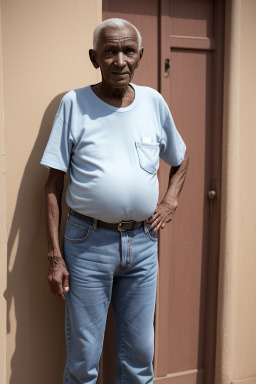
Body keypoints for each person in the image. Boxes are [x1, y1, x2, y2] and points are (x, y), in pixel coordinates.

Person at [41, 18, 189, 384]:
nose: (119, 60)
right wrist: (55, 255)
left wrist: (170, 200)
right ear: (95, 58)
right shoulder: (74, 104)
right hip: (87, 244)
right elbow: (52, 185)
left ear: (140, 56)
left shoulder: (153, 102)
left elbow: (181, 157)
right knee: (83, 360)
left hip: (142, 244)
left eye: (128, 51)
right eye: (109, 52)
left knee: (140, 359)